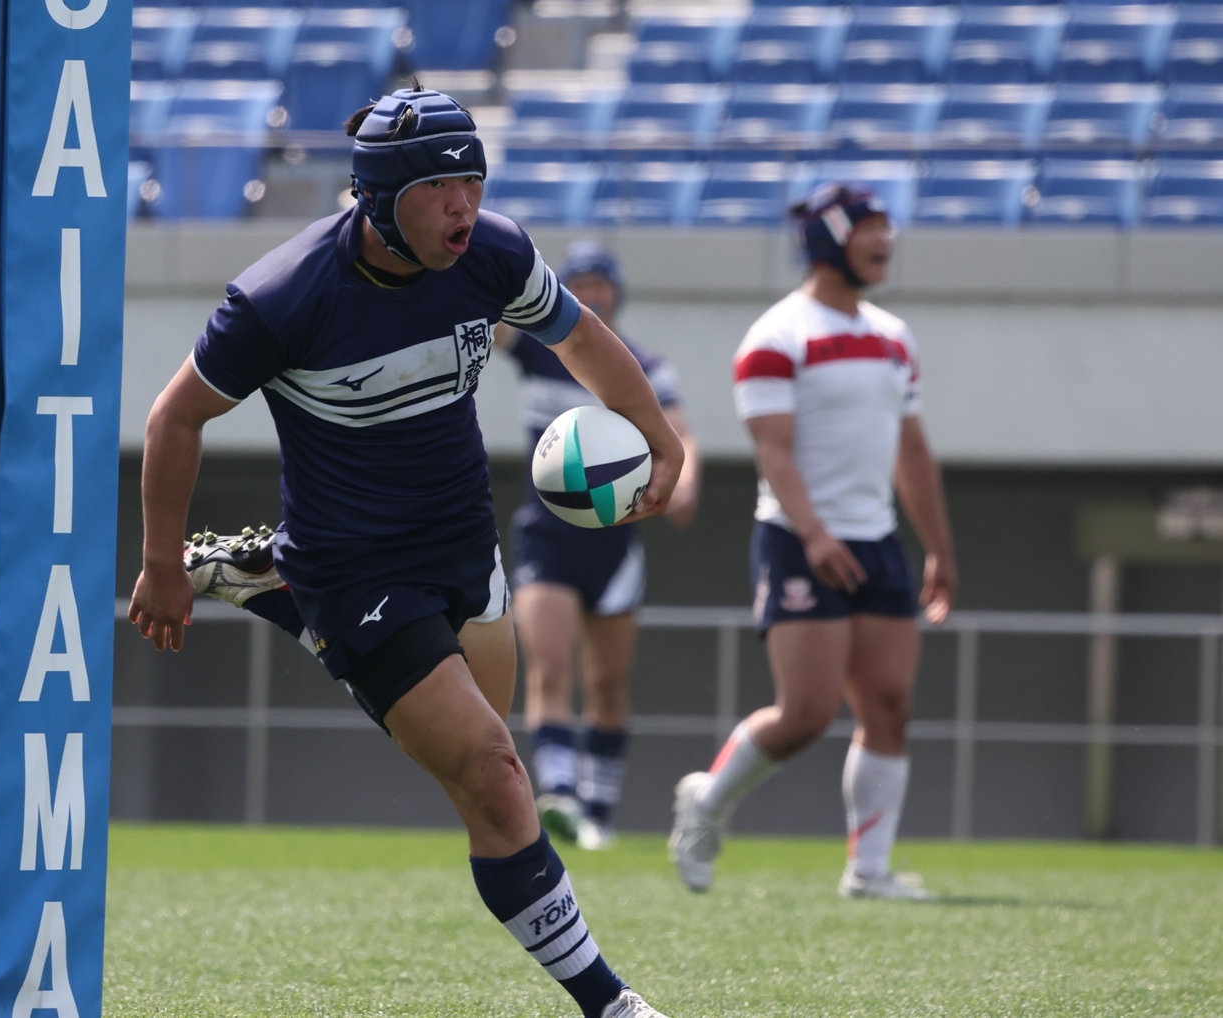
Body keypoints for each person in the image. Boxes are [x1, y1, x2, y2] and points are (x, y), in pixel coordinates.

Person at [127, 87, 685, 1018]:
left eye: (473, 182)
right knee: (498, 780)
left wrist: (659, 436)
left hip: (464, 544)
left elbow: (581, 337)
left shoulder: (493, 252)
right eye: (438, 188)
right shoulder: (282, 297)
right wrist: (156, 566)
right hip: (357, 568)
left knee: (484, 770)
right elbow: (173, 418)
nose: (463, 205)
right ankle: (612, 1004)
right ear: (380, 199)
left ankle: (279, 588)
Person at [667, 183, 957, 900]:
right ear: (828, 240)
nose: (886, 241)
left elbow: (913, 451)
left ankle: (870, 871)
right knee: (806, 714)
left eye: (888, 227)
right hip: (797, 541)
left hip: (877, 540)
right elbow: (774, 452)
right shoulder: (776, 337)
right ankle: (706, 802)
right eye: (870, 228)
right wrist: (817, 535)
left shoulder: (894, 336)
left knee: (889, 705)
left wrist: (940, 549)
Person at [497, 241, 700, 851]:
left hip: (615, 546)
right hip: (548, 539)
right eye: (579, 282)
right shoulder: (538, 352)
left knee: (608, 683)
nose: (592, 293)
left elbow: (680, 433)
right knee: (551, 666)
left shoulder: (644, 367)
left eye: (600, 283)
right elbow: (489, 319)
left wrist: (685, 484)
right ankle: (560, 796)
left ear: (617, 292)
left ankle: (599, 815)